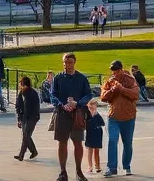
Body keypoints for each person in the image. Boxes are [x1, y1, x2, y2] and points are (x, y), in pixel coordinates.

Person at [51, 52, 93, 181]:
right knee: (62, 142)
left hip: (77, 114)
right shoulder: (58, 78)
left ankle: (79, 171)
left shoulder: (81, 78)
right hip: (62, 113)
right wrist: (62, 104)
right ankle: (63, 172)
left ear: (74, 62)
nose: (67, 65)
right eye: (65, 62)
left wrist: (77, 103)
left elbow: (88, 94)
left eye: (69, 62)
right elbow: (53, 95)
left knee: (78, 142)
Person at [100, 59, 139, 178]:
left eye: (117, 71)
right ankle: (111, 168)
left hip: (128, 117)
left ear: (121, 69)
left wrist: (121, 89)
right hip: (113, 117)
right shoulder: (110, 81)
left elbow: (135, 95)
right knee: (112, 140)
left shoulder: (130, 80)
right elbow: (103, 97)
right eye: (113, 71)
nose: (115, 73)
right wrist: (113, 90)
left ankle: (127, 166)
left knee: (127, 142)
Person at [14, 75, 40, 162]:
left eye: (21, 83)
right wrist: (19, 119)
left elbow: (36, 107)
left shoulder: (33, 93)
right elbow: (18, 106)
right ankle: (27, 153)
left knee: (26, 135)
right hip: (24, 117)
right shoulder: (21, 93)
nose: (21, 85)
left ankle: (26, 153)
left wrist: (34, 117)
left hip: (32, 117)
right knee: (26, 136)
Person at [85, 98, 104, 173]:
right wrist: (91, 116)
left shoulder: (97, 114)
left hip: (97, 133)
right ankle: (90, 166)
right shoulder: (87, 114)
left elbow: (102, 123)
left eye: (94, 105)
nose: (93, 107)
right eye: (91, 105)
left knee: (97, 150)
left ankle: (97, 166)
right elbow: (86, 125)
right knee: (90, 150)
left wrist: (96, 115)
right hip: (90, 133)